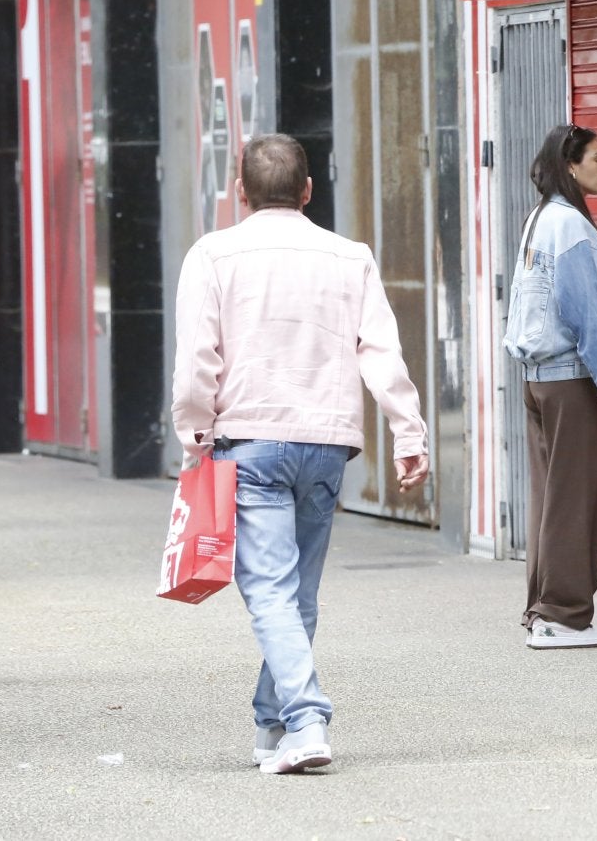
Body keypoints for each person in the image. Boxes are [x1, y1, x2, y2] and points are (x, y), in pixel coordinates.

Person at [169, 133, 428, 774]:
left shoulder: (214, 254)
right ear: (309, 191)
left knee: (270, 591)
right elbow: (381, 351)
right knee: (296, 594)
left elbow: (198, 359)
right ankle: (271, 728)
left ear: (240, 191)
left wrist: (194, 432)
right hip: (326, 444)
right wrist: (409, 431)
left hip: (248, 442)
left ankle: (308, 720)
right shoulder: (350, 256)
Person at [503, 124, 597, 650]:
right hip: (570, 378)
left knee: (550, 497)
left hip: (537, 379)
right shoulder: (573, 225)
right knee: (576, 497)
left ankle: (546, 608)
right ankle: (563, 614)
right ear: (571, 165)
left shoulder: (541, 218)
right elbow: (582, 315)